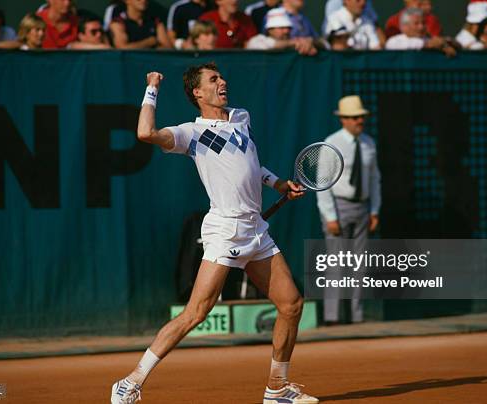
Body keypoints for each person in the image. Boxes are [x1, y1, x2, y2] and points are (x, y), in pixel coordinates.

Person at [110, 62, 318, 404]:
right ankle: (129, 382)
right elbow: (145, 133)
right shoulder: (191, 133)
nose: (223, 81)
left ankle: (277, 389)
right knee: (196, 313)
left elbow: (251, 163)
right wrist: (152, 88)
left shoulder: (241, 117)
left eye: (221, 76)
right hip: (225, 230)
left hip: (256, 229)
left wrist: (277, 182)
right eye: (213, 79)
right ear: (197, 92)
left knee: (292, 304)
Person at [317, 96, 380, 325]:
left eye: (361, 117)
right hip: (339, 207)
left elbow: (374, 179)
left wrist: (374, 210)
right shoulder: (331, 143)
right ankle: (332, 318)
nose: (359, 121)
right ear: (343, 120)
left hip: (362, 208)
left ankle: (356, 316)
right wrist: (330, 216)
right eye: (354, 117)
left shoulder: (369, 143)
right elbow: (323, 182)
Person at [385, 7, 456, 57]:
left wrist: (446, 44)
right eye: (416, 23)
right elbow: (410, 45)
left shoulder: (428, 39)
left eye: (423, 23)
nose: (421, 27)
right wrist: (429, 45)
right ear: (404, 26)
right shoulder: (394, 41)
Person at [246, 6, 315, 54]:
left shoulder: (296, 42)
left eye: (288, 28)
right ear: (270, 30)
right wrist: (295, 42)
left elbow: (323, 43)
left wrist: (310, 41)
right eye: (281, 28)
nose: (286, 31)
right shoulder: (257, 40)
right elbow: (267, 45)